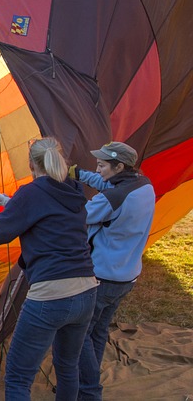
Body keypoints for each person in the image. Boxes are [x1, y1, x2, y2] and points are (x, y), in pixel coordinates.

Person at [0, 137, 97, 401]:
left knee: (18, 378)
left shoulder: (31, 192)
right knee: (67, 367)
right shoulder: (73, 190)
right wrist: (4, 200)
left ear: (30, 164)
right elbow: (43, 211)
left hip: (50, 296)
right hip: (87, 291)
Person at [74, 142, 155, 401]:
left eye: (102, 165)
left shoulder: (109, 200)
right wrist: (76, 173)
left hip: (103, 277)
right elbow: (106, 185)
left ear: (119, 167)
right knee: (98, 331)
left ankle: (88, 391)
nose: (97, 169)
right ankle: (89, 380)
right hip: (127, 275)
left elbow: (75, 217)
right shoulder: (143, 185)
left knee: (80, 334)